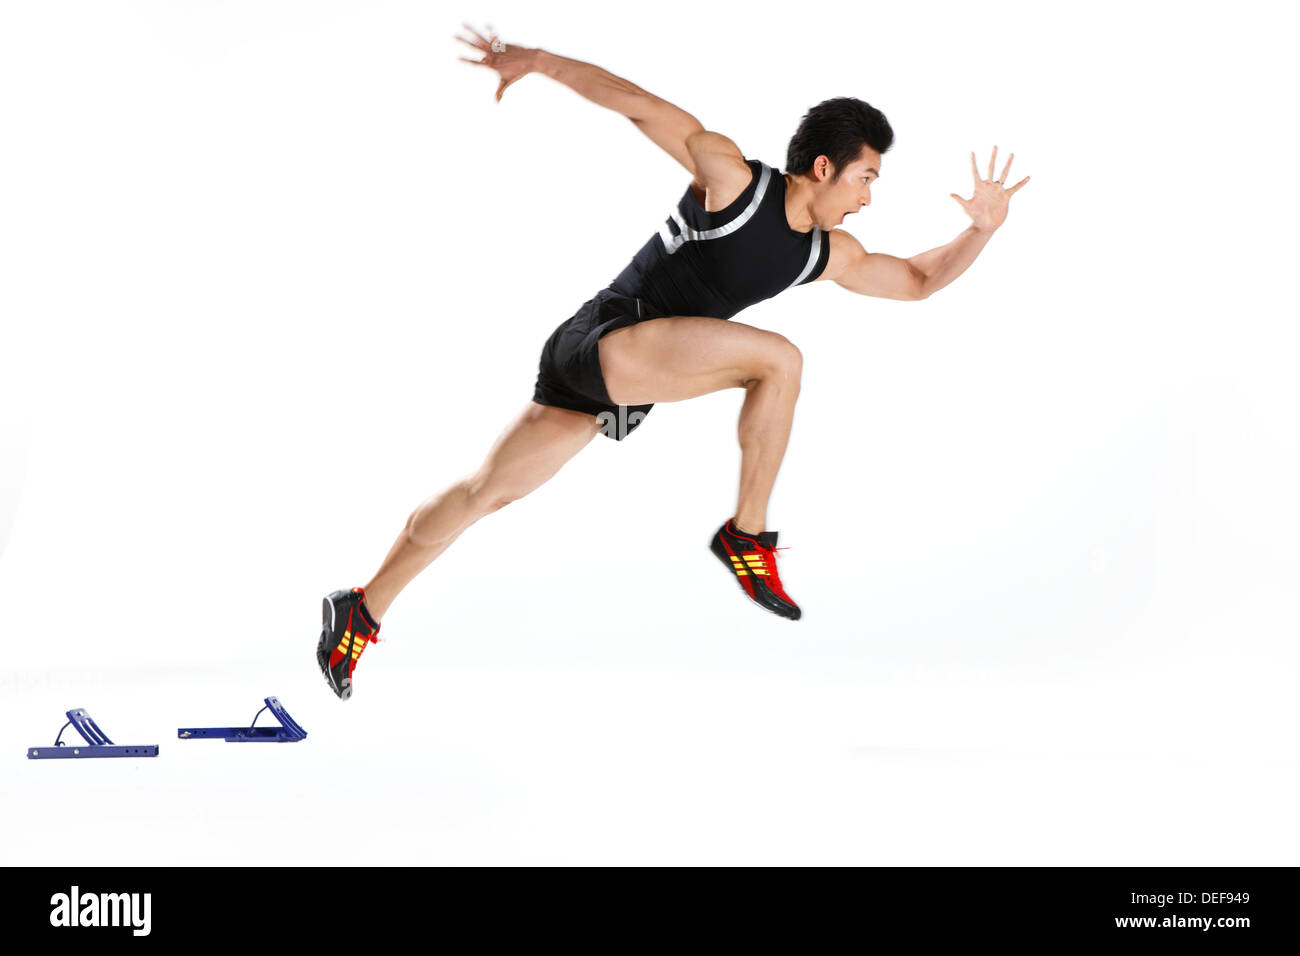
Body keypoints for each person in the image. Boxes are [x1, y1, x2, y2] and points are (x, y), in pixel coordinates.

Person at [317, 24, 1030, 700]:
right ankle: (745, 536)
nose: (870, 197)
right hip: (606, 338)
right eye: (866, 177)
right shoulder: (731, 180)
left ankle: (361, 610)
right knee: (779, 361)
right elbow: (634, 104)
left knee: (486, 494)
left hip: (617, 372)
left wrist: (980, 231)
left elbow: (916, 281)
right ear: (825, 167)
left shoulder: (827, 254)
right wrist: (535, 61)